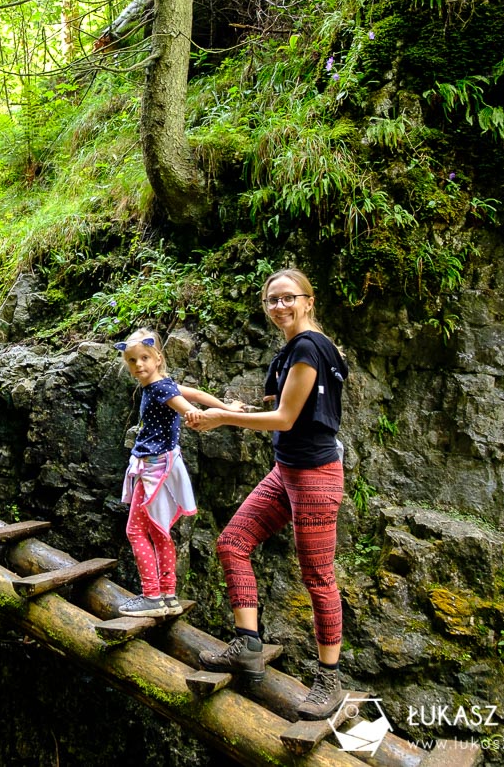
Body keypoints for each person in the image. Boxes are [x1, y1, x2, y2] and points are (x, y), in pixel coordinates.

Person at [185, 268, 349, 720]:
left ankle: (329, 680)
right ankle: (247, 646)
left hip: (314, 475)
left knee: (318, 577)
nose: (278, 306)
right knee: (232, 543)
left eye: (287, 298)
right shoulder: (301, 349)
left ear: (308, 300)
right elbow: (280, 408)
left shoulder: (308, 347)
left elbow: (285, 418)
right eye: (271, 300)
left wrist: (221, 419)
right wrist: (232, 407)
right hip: (288, 470)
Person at [114, 328, 247, 618]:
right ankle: (168, 595)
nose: (138, 365)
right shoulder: (164, 384)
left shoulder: (160, 388)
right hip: (163, 465)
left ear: (158, 358)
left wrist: (204, 415)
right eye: (132, 361)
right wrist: (227, 408)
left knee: (135, 530)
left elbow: (188, 407)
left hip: (153, 467)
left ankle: (151, 595)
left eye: (144, 358)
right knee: (159, 531)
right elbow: (197, 394)